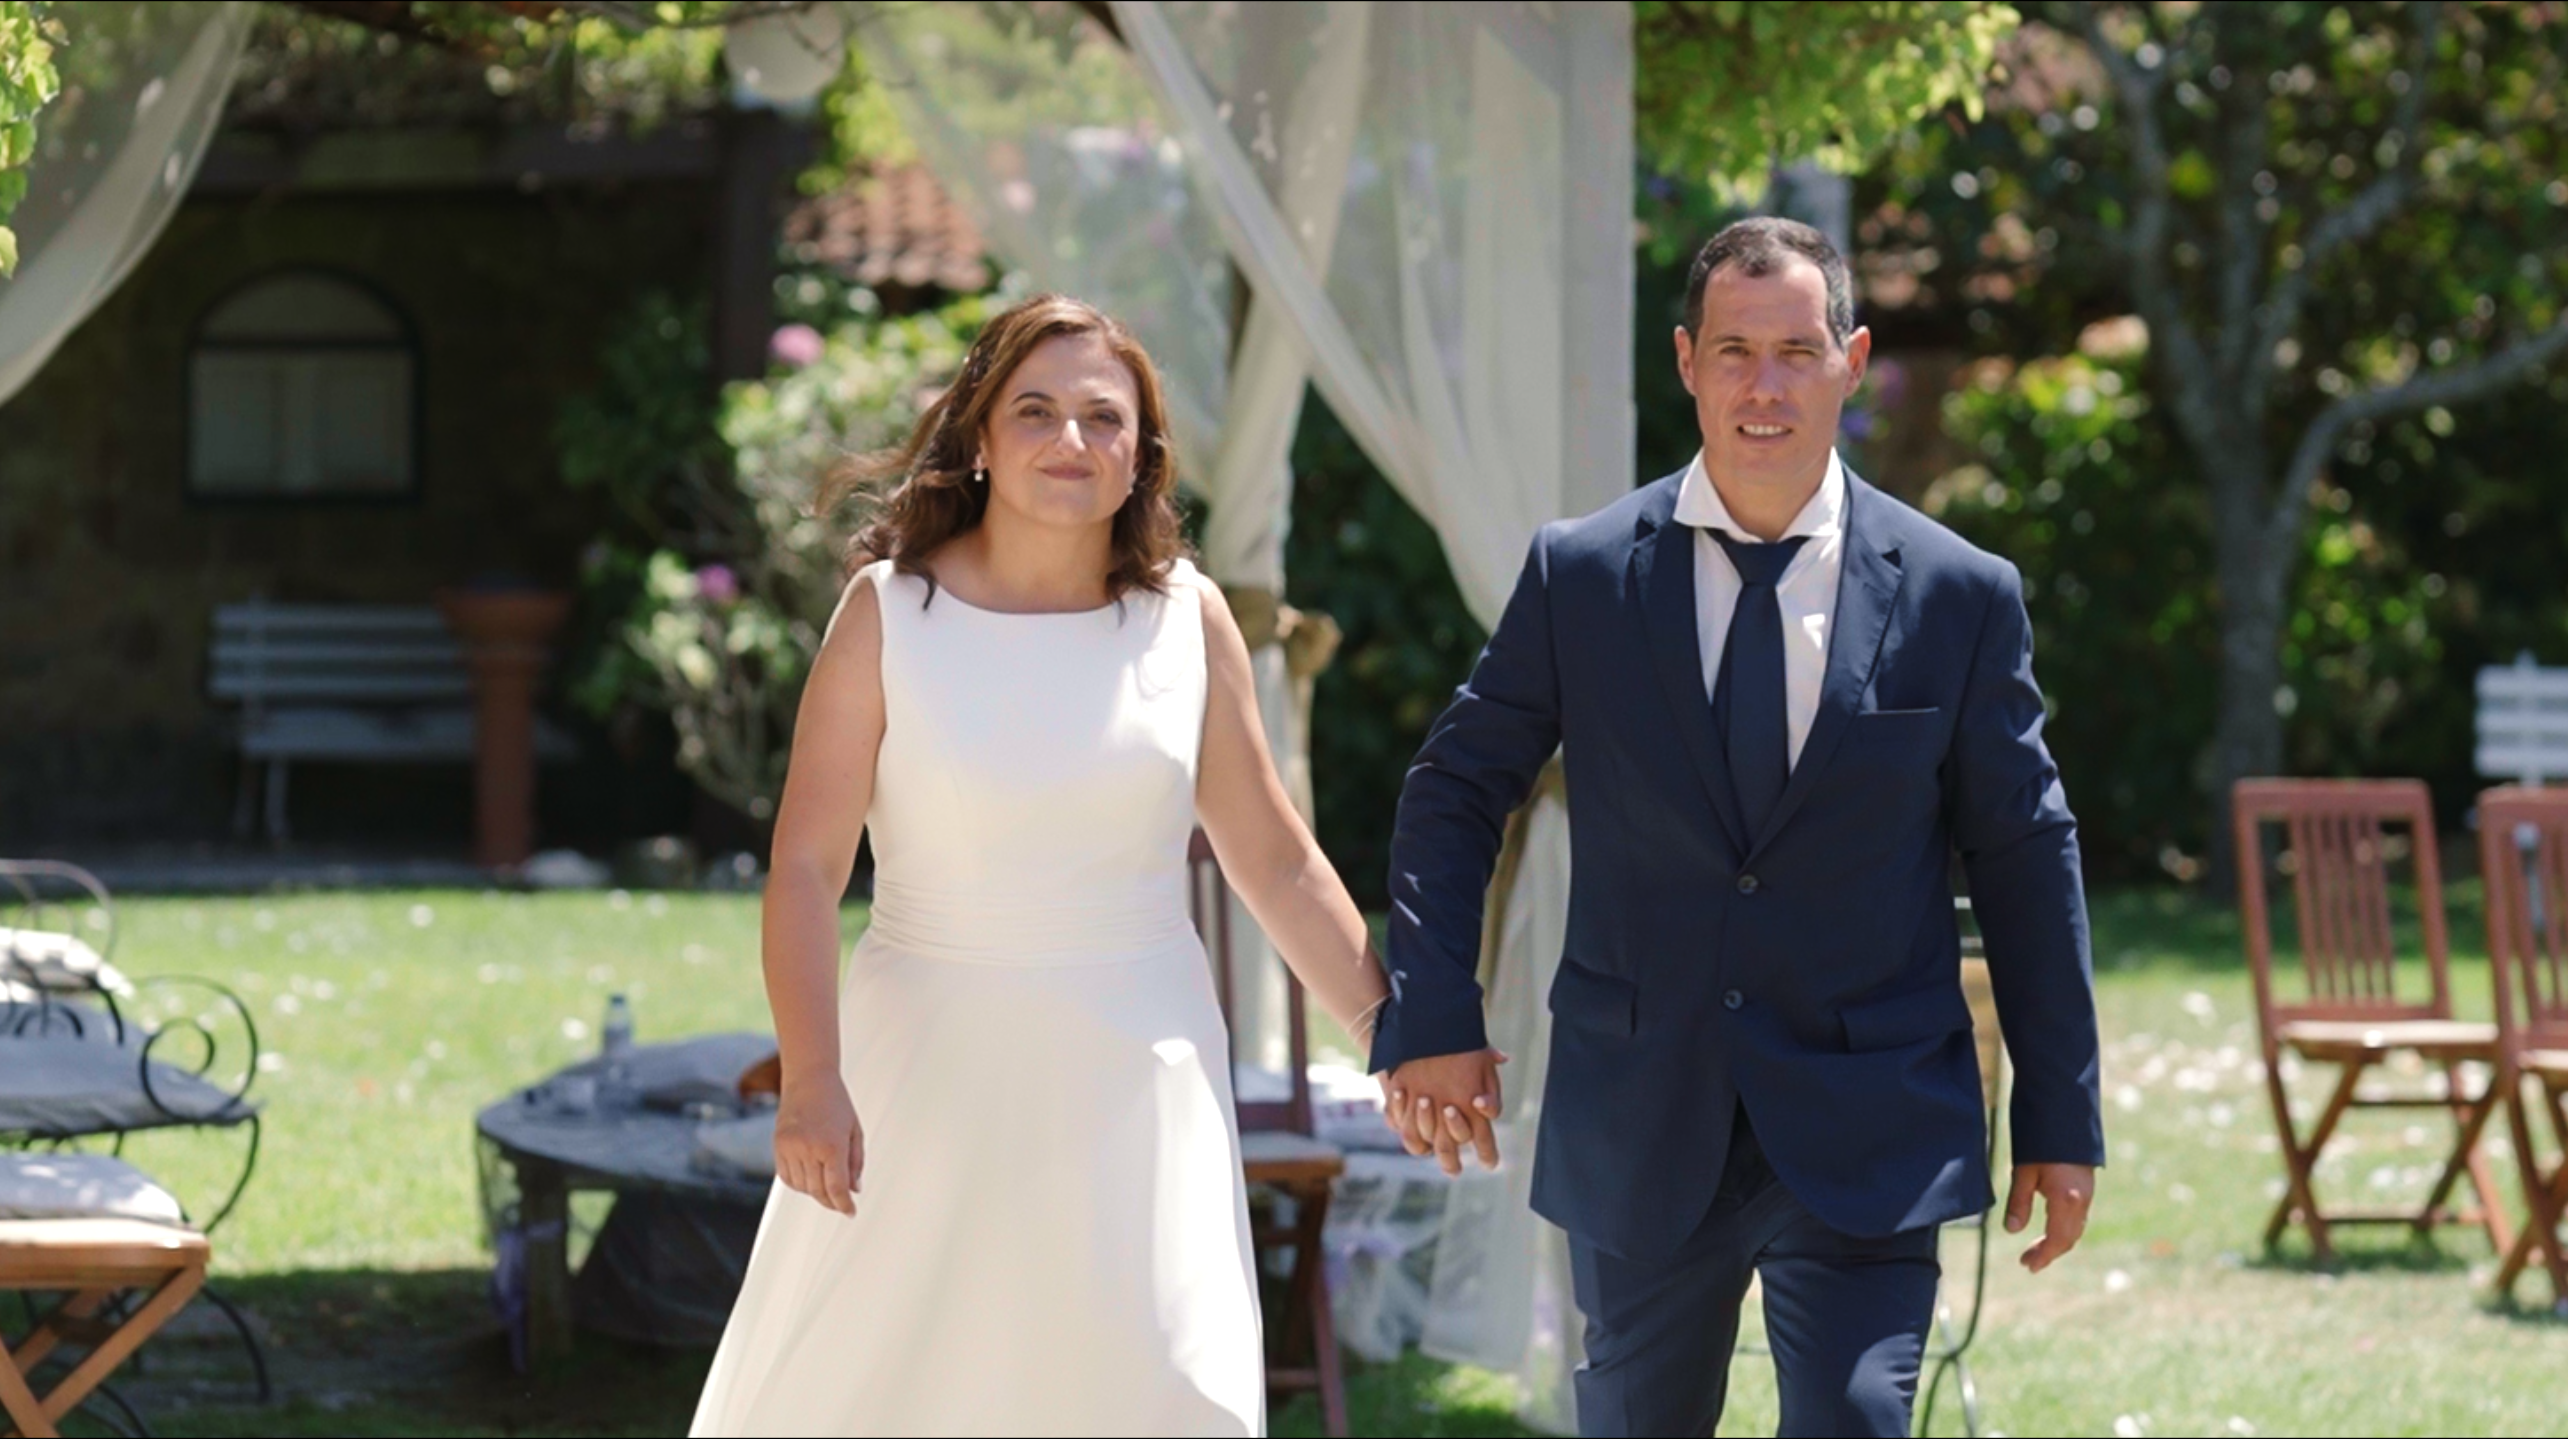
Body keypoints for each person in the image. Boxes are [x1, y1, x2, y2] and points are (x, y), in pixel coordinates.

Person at [1370, 217, 2107, 1437]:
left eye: (1796, 350)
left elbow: (2028, 855)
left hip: (1872, 1120)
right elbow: (1455, 791)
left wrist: (2061, 1114)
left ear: (1850, 358)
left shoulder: (1960, 595)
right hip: (1644, 1117)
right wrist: (1432, 1011)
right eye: (1733, 351)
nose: (1764, 385)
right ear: (1686, 361)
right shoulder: (1584, 574)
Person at [689, 294, 1393, 1437]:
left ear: (1141, 457)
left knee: (1158, 1378)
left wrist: (1393, 1034)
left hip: (1141, 1079)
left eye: (1103, 418)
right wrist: (813, 1077)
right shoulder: (888, 613)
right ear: (978, 437)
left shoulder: (1188, 619)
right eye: (1037, 410)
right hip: (924, 1071)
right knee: (903, 1389)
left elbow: (1272, 854)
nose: (1072, 440)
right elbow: (807, 869)